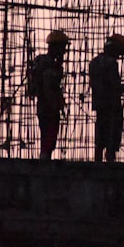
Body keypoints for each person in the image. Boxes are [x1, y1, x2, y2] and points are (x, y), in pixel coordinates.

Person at [28, 29, 69, 160]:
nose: (64, 51)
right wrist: (55, 104)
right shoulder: (48, 65)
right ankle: (45, 160)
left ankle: (45, 157)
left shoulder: (43, 62)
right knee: (49, 134)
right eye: (63, 47)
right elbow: (49, 86)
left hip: (43, 105)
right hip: (48, 106)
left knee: (47, 135)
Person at [89, 34, 124, 162]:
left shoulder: (94, 62)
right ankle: (110, 162)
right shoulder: (111, 64)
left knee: (100, 137)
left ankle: (98, 162)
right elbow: (114, 85)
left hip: (99, 104)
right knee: (112, 135)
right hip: (111, 105)